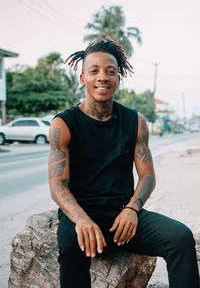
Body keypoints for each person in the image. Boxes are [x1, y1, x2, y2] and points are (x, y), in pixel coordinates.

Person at [48, 40, 199, 288]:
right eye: (94, 70)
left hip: (123, 214)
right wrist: (82, 220)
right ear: (82, 78)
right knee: (70, 246)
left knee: (181, 238)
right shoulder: (63, 124)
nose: (103, 77)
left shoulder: (135, 121)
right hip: (82, 212)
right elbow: (58, 186)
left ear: (118, 77)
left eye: (111, 71)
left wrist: (132, 209)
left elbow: (147, 176)